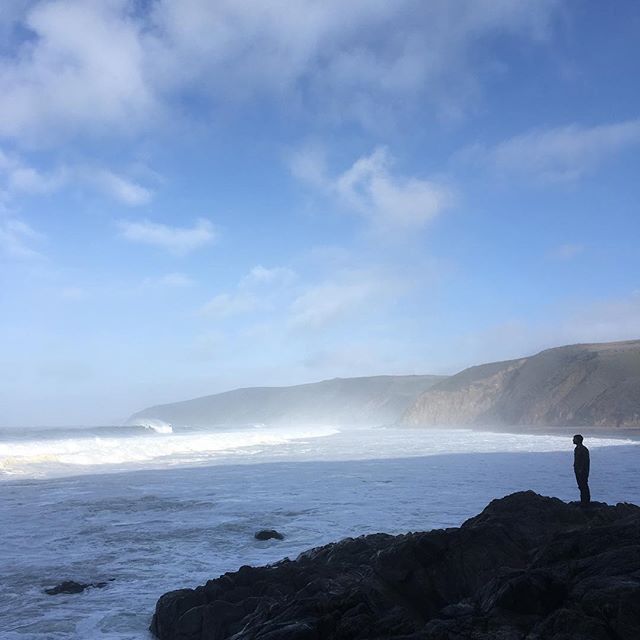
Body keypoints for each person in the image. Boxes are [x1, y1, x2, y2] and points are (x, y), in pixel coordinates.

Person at [573, 434, 590, 505]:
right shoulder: (577, 448)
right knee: (581, 485)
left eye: (574, 439)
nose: (573, 440)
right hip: (578, 470)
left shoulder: (583, 449)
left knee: (583, 485)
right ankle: (583, 500)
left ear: (578, 440)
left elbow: (585, 461)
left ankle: (585, 501)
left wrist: (581, 469)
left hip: (582, 471)